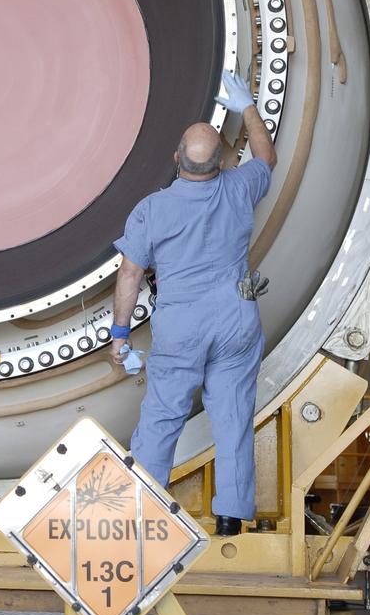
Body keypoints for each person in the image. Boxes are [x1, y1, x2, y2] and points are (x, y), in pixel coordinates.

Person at [110, 70, 277, 536]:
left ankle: (144, 517)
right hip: (236, 319)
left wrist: (120, 334)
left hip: (181, 325)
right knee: (233, 417)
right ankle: (229, 518)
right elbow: (267, 155)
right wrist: (247, 106)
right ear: (223, 161)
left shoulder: (153, 209)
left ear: (175, 158)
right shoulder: (241, 188)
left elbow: (129, 274)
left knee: (163, 416)